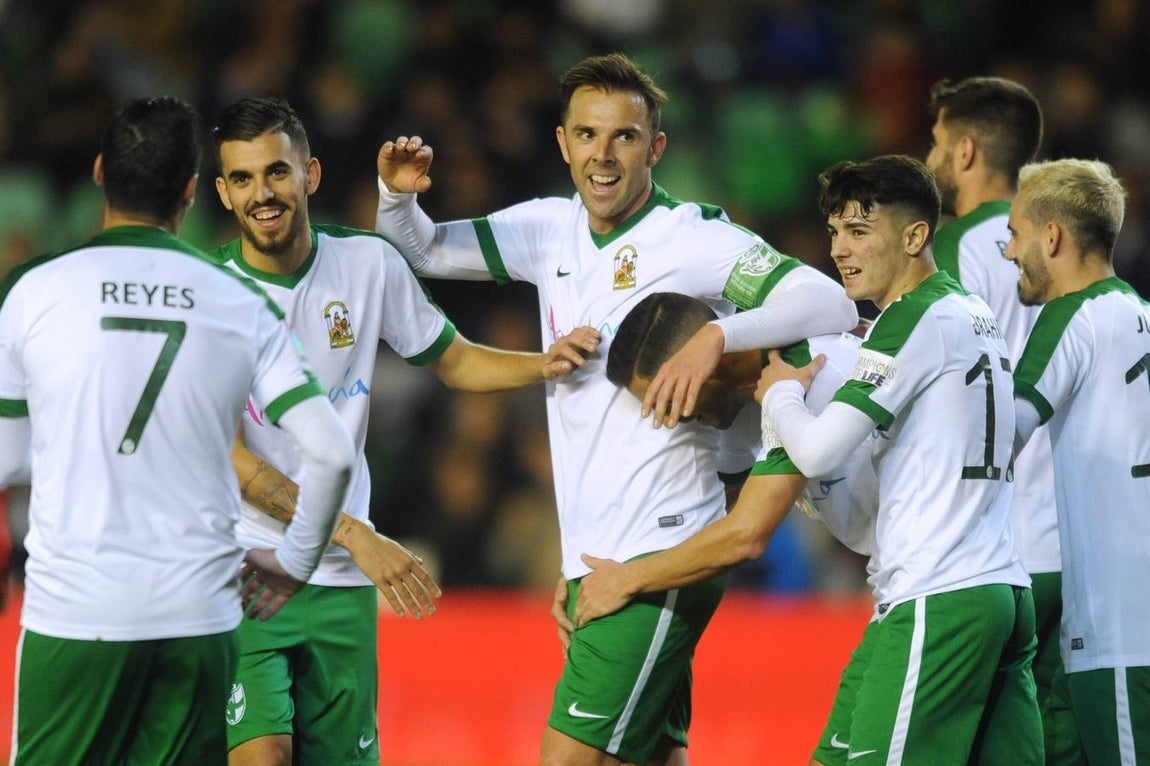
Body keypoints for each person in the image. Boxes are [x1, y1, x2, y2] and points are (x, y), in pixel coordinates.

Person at [375, 52, 858, 765]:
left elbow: (830, 300)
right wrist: (397, 198)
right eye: (587, 134)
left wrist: (717, 336)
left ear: (655, 147)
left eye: (624, 136)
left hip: (659, 551)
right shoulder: (546, 230)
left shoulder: (695, 238)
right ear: (563, 142)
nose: (604, 154)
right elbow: (420, 247)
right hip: (598, 561)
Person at [210, 96, 598, 766]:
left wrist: (544, 363)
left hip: (343, 590)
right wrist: (356, 534)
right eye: (242, 179)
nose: (262, 194)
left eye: (276, 172)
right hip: (248, 573)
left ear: (311, 176)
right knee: (261, 756)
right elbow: (233, 460)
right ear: (221, 192)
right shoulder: (210, 293)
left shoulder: (366, 265)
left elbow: (452, 359)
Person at [0, 97, 353, 766]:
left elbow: (7, 462)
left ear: (101, 173)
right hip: (200, 614)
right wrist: (294, 563)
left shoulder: (34, 290)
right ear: (193, 189)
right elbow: (332, 453)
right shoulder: (237, 302)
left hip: (77, 611)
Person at [758, 155, 1042, 764]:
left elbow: (816, 447)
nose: (839, 248)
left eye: (860, 231)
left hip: (939, 597)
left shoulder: (913, 319)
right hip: (996, 592)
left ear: (916, 236)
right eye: (834, 231)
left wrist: (778, 390)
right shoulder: (971, 312)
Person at [923, 77, 1077, 762]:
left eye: (934, 142)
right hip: (1082, 533)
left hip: (998, 546)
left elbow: (949, 399)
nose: (929, 158)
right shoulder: (1065, 243)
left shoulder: (953, 251)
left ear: (964, 150)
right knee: (1064, 735)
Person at [569, 291, 875, 627]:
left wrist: (626, 579)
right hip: (897, 571)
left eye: (671, 397)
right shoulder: (741, 409)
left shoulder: (804, 378)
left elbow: (745, 535)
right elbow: (711, 521)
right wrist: (581, 573)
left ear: (707, 362)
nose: (674, 418)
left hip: (931, 568)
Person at [1008, 158, 1150, 766]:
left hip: (1121, 623)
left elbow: (998, 435)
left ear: (1054, 237)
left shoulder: (1073, 315)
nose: (1010, 253)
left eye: (1015, 234)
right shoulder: (1142, 313)